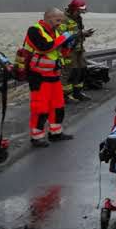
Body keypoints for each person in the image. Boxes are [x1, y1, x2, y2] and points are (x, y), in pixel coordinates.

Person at [23, 8, 78, 147]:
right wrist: (64, 38)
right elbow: (44, 47)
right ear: (49, 18)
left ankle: (56, 133)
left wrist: (69, 45)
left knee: (58, 107)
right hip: (38, 76)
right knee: (40, 109)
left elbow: (61, 52)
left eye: (61, 20)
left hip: (53, 75)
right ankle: (36, 137)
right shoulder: (34, 30)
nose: (60, 23)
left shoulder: (56, 32)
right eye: (58, 20)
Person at [58, 0, 94, 102]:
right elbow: (62, 36)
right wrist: (81, 34)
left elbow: (78, 31)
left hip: (79, 49)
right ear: (73, 9)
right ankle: (65, 96)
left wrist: (85, 34)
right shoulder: (64, 19)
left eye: (81, 11)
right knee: (69, 73)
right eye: (79, 11)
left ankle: (77, 93)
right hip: (68, 50)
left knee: (81, 70)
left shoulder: (78, 18)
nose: (80, 13)